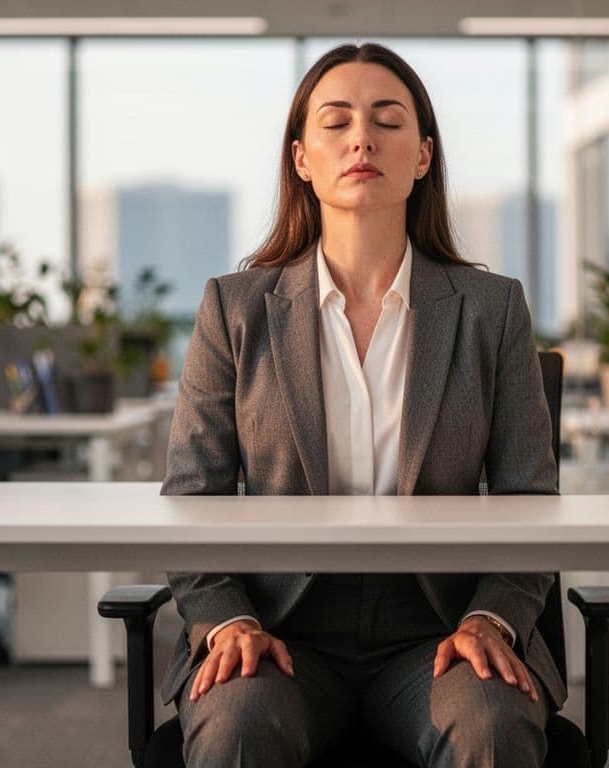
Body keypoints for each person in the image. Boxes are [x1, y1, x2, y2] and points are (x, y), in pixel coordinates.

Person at [161, 42, 559, 768]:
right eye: (336, 122)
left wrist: (492, 617)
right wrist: (228, 622)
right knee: (237, 723)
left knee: (491, 724)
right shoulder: (236, 309)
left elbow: (530, 496)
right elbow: (193, 496)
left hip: (438, 629)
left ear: (423, 156)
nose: (362, 139)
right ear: (303, 159)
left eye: (387, 120)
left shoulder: (492, 310)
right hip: (281, 627)